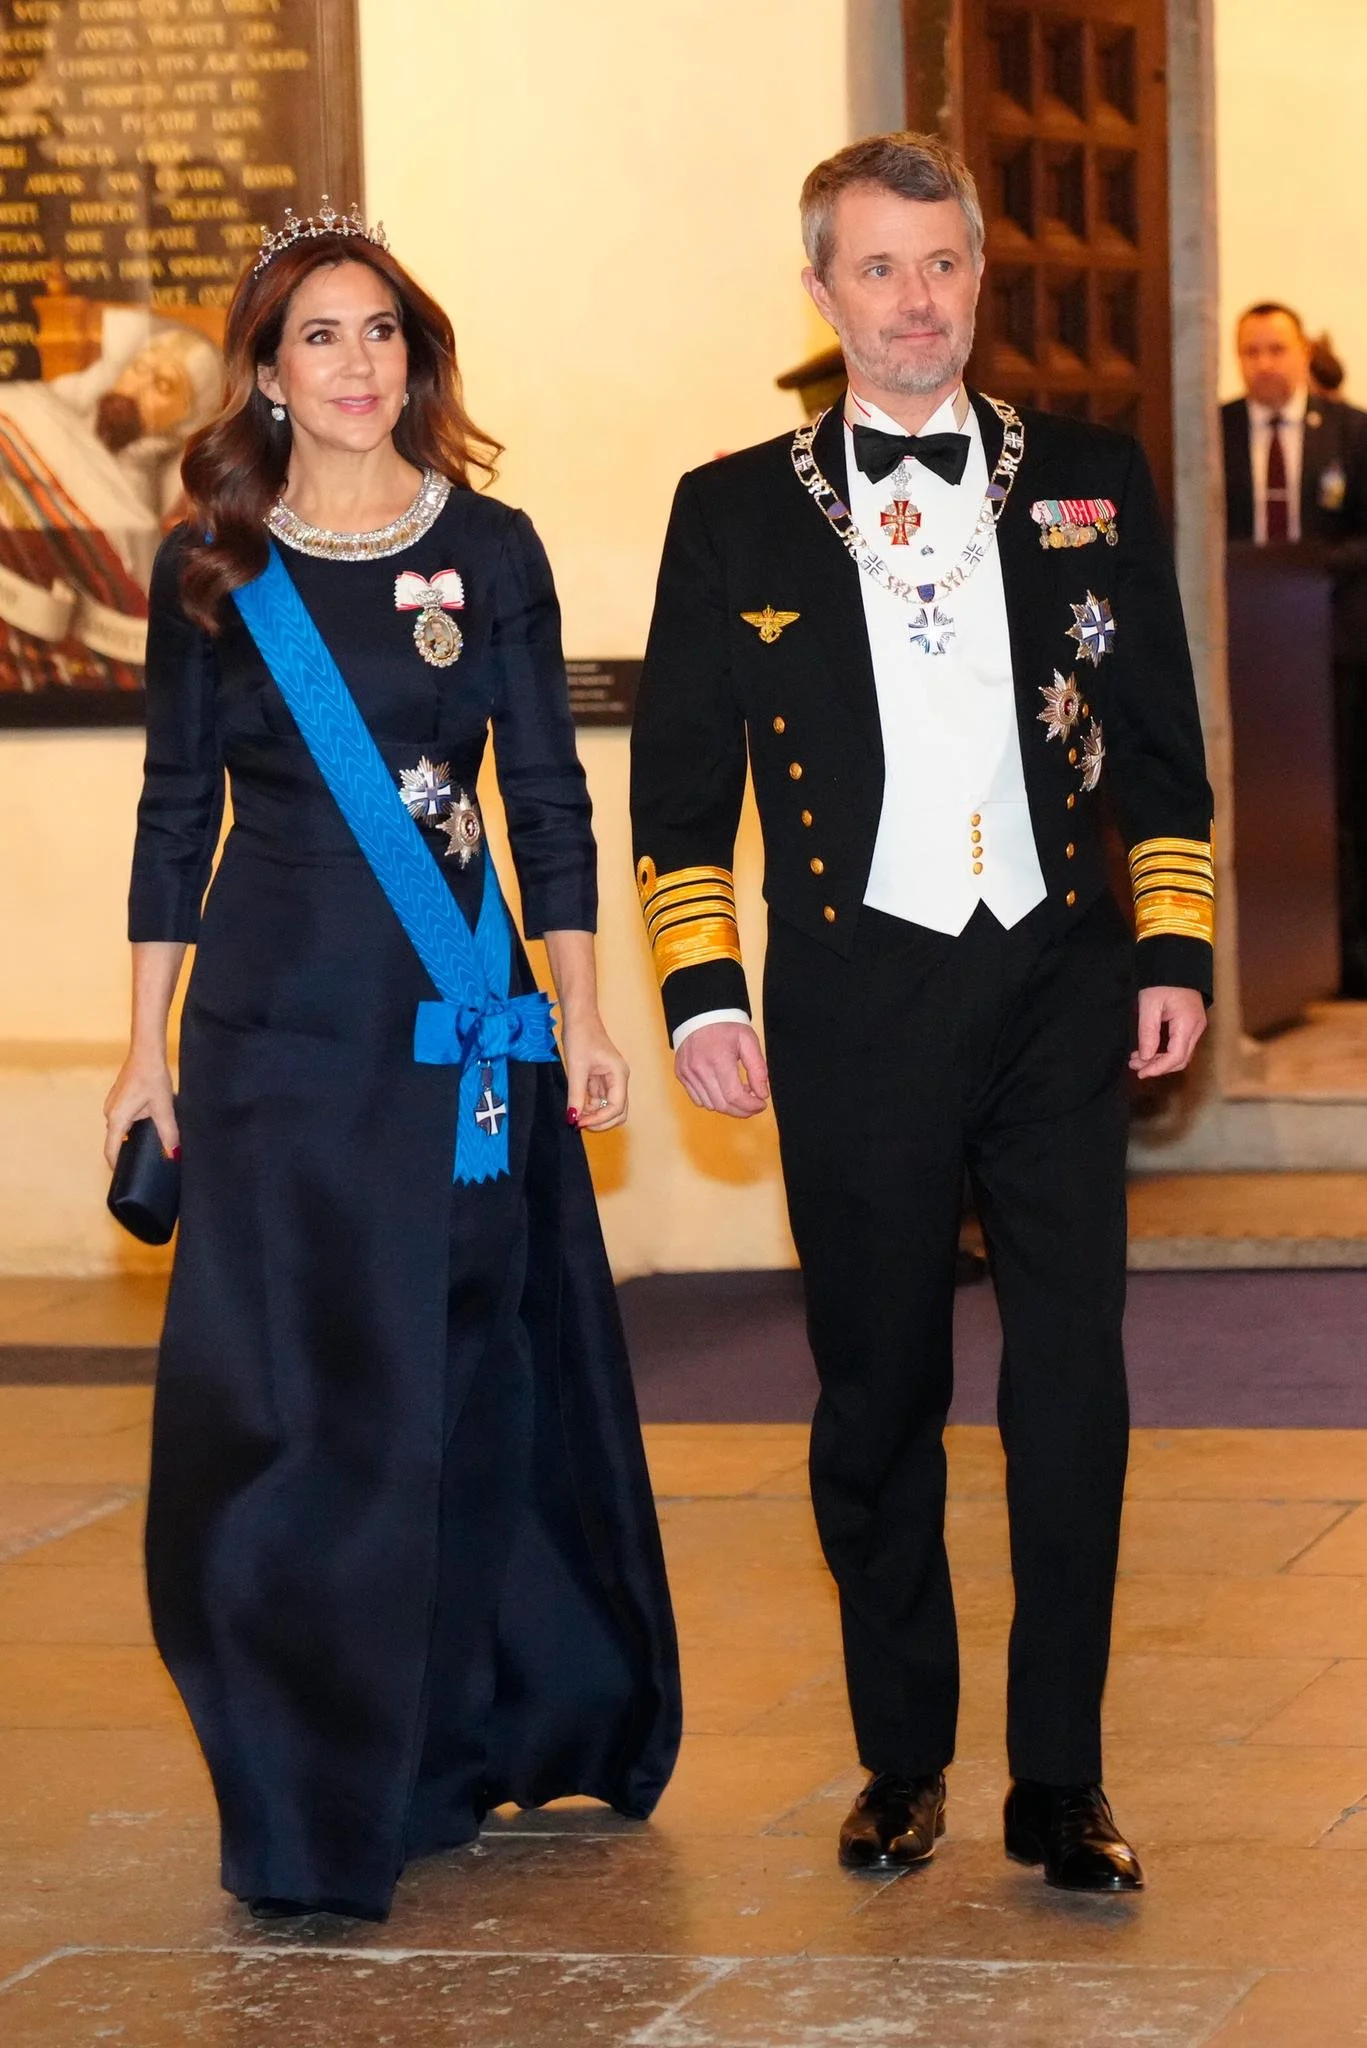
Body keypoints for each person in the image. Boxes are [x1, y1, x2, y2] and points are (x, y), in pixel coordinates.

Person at [631, 133, 1214, 1894]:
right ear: (820, 289)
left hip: (1050, 975)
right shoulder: (729, 505)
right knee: (874, 1388)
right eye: (876, 269)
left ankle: (1060, 1778)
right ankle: (903, 1756)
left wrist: (1171, 948)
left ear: (979, 276)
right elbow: (677, 791)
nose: (914, 302)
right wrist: (699, 985)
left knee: (1071, 1388)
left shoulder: (1091, 474)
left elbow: (1166, 747)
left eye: (941, 264)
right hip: (853, 986)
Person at [104, 203, 680, 1923]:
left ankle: (440, 1735)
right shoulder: (214, 559)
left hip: (459, 1030)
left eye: (382, 333)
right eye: (320, 338)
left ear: (417, 357)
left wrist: (580, 1006)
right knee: (301, 1407)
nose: (357, 365)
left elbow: (550, 799)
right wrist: (143, 1057)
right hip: (274, 1039)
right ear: (268, 375)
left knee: (457, 1383)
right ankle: (301, 1770)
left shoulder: (489, 549)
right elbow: (170, 815)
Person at [1222, 301, 1367, 991]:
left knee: (1340, 802)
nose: (1262, 364)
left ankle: (1347, 954)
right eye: (1248, 351)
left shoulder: (1348, 431)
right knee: (1255, 806)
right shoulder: (1214, 429)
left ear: (1302, 353)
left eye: (1274, 349)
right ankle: (1263, 955)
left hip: (1332, 649)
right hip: (1243, 654)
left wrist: (1309, 567)